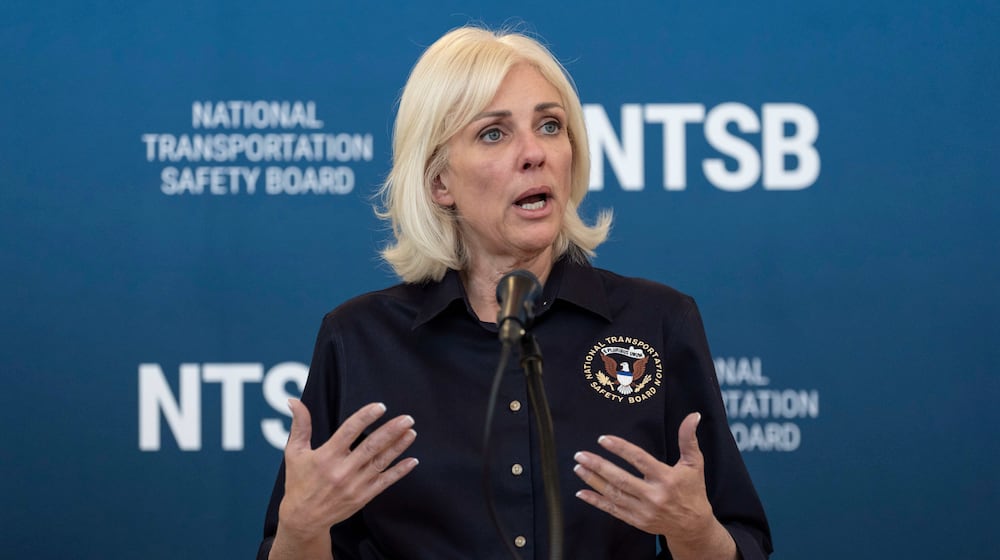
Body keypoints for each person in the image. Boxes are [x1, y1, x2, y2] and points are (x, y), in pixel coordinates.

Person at [257, 25, 772, 560]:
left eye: (550, 126)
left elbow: (744, 542)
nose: (534, 153)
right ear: (440, 182)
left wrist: (694, 532)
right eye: (493, 134)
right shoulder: (360, 339)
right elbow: (291, 545)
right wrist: (301, 529)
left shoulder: (657, 320)